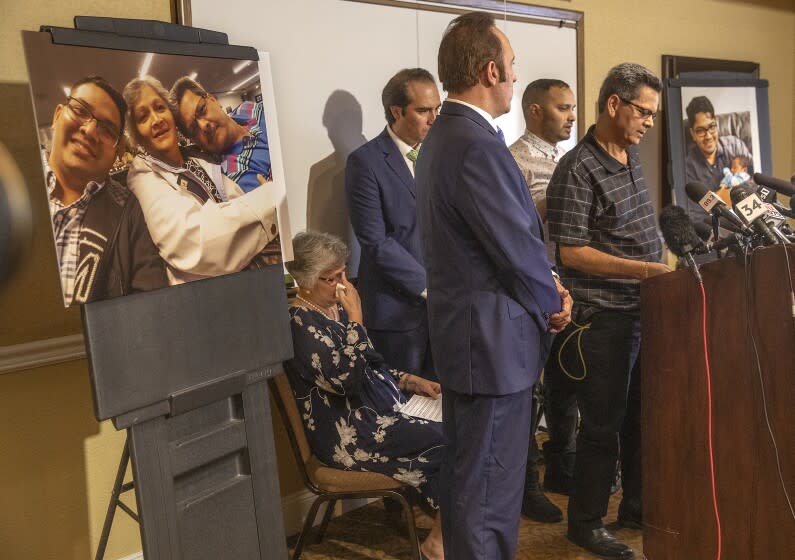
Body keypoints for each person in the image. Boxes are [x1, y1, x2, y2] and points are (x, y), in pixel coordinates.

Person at [416, 12, 572, 559]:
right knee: (488, 500)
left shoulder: (443, 137)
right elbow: (516, 245)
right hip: (493, 348)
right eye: (511, 69)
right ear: (489, 70)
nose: (513, 78)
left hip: (471, 343)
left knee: (469, 488)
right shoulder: (477, 144)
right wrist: (554, 299)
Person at [546, 62, 672, 559]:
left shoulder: (629, 153)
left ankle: (636, 506)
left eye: (654, 114)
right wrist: (645, 272)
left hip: (645, 313)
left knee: (640, 419)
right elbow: (570, 252)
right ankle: (585, 523)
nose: (649, 122)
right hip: (604, 320)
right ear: (614, 105)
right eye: (643, 111)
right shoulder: (578, 168)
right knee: (601, 428)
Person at [283, 230, 445, 560]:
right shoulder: (299, 323)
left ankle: (444, 536)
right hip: (351, 434)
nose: (344, 284)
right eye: (334, 277)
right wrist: (357, 320)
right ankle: (440, 542)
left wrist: (412, 381)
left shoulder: (334, 310)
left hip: (382, 412)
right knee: (448, 438)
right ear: (308, 280)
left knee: (458, 425)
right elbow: (347, 381)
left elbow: (371, 365)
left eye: (344, 272)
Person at [122, 76, 279, 285]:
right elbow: (194, 241)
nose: (156, 119)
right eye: (143, 117)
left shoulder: (197, 158)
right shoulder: (144, 177)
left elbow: (236, 202)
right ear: (136, 136)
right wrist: (273, 195)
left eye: (160, 108)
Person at [508, 78, 577, 524]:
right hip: (535, 286)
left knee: (567, 383)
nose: (571, 115)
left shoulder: (572, 160)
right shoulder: (513, 159)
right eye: (562, 108)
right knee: (531, 393)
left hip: (575, 281)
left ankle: (562, 468)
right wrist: (564, 189)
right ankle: (527, 485)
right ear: (535, 111)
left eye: (573, 108)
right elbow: (516, 224)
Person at [345, 68, 441, 381]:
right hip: (399, 313)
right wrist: (430, 287)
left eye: (437, 109)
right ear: (396, 111)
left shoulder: (443, 156)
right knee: (405, 408)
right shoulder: (366, 161)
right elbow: (375, 241)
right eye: (424, 110)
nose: (434, 118)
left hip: (448, 311)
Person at [44, 76, 167, 306]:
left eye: (107, 129)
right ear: (57, 114)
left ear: (116, 150)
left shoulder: (130, 213)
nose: (90, 131)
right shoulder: (12, 185)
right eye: (80, 110)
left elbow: (152, 306)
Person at [171, 76, 281, 263]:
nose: (203, 125)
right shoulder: (232, 178)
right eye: (193, 129)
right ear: (193, 140)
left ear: (212, 99)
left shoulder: (250, 109)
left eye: (201, 110)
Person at [685, 95, 753, 191]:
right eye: (700, 131)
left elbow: (758, 176)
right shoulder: (689, 169)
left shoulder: (735, 146)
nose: (708, 136)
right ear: (692, 134)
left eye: (712, 126)